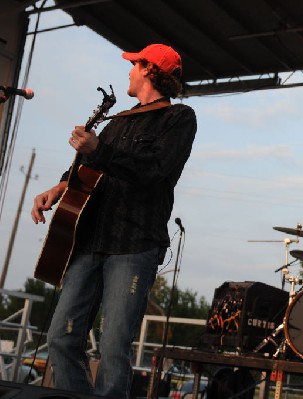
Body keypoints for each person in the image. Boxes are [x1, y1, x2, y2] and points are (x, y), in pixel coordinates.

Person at [31, 43, 197, 398]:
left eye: (134, 65)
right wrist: (60, 187)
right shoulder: (119, 121)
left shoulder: (178, 117)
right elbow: (90, 168)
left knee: (113, 348)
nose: (128, 71)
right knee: (60, 337)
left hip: (134, 243)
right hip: (90, 239)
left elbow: (156, 171)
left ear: (150, 70)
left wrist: (99, 150)